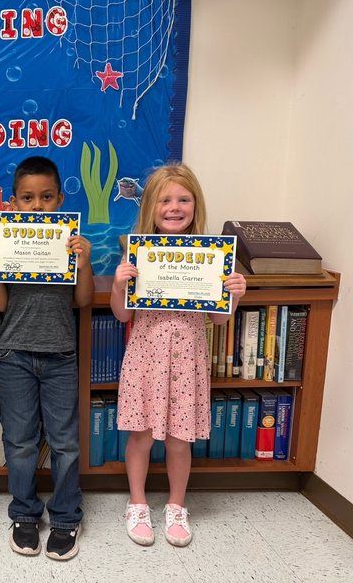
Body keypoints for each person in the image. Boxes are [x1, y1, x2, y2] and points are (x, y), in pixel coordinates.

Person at [109, 163, 247, 547]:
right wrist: (120, 285)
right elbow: (122, 314)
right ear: (150, 206)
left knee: (179, 439)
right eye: (165, 200)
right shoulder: (136, 254)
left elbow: (219, 320)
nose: (174, 207)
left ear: (195, 205)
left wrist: (233, 294)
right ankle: (137, 502)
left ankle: (176, 505)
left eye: (183, 199)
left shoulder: (213, 256)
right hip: (144, 358)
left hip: (187, 362)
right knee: (139, 435)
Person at [0, 156, 95, 561]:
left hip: (60, 354)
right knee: (20, 443)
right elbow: (2, 305)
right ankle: (24, 513)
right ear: (13, 202)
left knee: (65, 444)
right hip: (16, 354)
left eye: (46, 197)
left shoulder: (67, 241)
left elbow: (82, 301)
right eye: (27, 198)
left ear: (60, 199)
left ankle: (65, 517)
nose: (37, 205)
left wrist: (85, 263)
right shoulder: (6, 240)